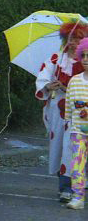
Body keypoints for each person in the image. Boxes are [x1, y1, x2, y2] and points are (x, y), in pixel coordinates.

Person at [36, 22, 88, 203]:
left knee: (72, 146)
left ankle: (68, 186)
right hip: (57, 110)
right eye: (72, 38)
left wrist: (71, 88)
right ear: (65, 39)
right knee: (59, 145)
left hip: (80, 112)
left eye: (79, 38)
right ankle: (65, 181)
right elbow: (42, 79)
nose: (74, 42)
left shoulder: (85, 61)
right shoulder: (55, 59)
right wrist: (49, 85)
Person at [65, 38, 88, 210]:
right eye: (84, 55)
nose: (86, 59)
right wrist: (69, 120)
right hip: (77, 130)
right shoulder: (74, 81)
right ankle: (78, 196)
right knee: (77, 163)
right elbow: (68, 105)